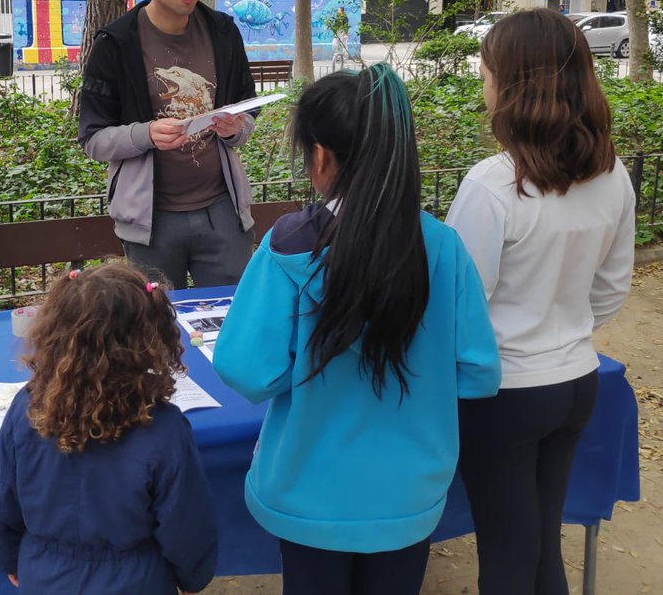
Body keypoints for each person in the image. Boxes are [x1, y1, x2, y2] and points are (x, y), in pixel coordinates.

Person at [212, 66, 501, 595]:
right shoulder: (443, 246)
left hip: (309, 493)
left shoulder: (290, 246)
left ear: (320, 156)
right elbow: (479, 372)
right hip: (407, 496)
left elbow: (247, 370)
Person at [444, 9, 635, 595]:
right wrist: (563, 329)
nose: (484, 84)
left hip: (505, 393)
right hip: (577, 381)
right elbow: (610, 287)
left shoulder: (492, 184)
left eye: (488, 72)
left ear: (513, 84)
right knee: (541, 543)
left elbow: (459, 308)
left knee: (507, 555)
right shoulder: (613, 174)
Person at [0, 264, 218, 595]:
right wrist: (192, 577)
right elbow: (186, 521)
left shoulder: (28, 407)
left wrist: (9, 559)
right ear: (149, 338)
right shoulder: (164, 427)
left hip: (45, 575)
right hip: (136, 581)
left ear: (55, 330)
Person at [78, 0, 257, 289]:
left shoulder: (223, 32)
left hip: (222, 213)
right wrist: (146, 134)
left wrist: (236, 129)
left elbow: (248, 110)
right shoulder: (116, 44)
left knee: (230, 320)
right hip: (151, 222)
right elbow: (93, 139)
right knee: (154, 332)